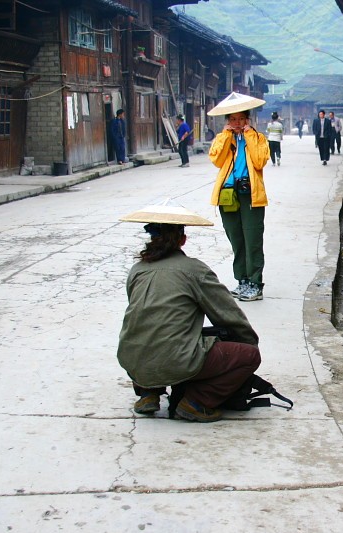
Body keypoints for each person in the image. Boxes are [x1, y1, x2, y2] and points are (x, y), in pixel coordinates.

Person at [117, 204, 262, 423]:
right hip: (175, 359)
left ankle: (148, 393)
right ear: (182, 240)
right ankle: (196, 402)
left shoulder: (137, 270)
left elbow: (144, 313)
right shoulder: (194, 270)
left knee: (150, 336)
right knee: (248, 356)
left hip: (131, 358)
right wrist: (248, 343)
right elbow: (227, 314)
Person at [208, 92, 271, 302]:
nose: (237, 123)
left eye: (241, 118)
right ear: (227, 121)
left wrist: (249, 135)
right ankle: (242, 280)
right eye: (233, 119)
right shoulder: (223, 138)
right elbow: (216, 159)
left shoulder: (259, 138)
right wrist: (227, 135)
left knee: (252, 239)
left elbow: (260, 161)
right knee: (236, 239)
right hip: (228, 195)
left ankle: (255, 283)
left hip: (251, 196)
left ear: (248, 119)